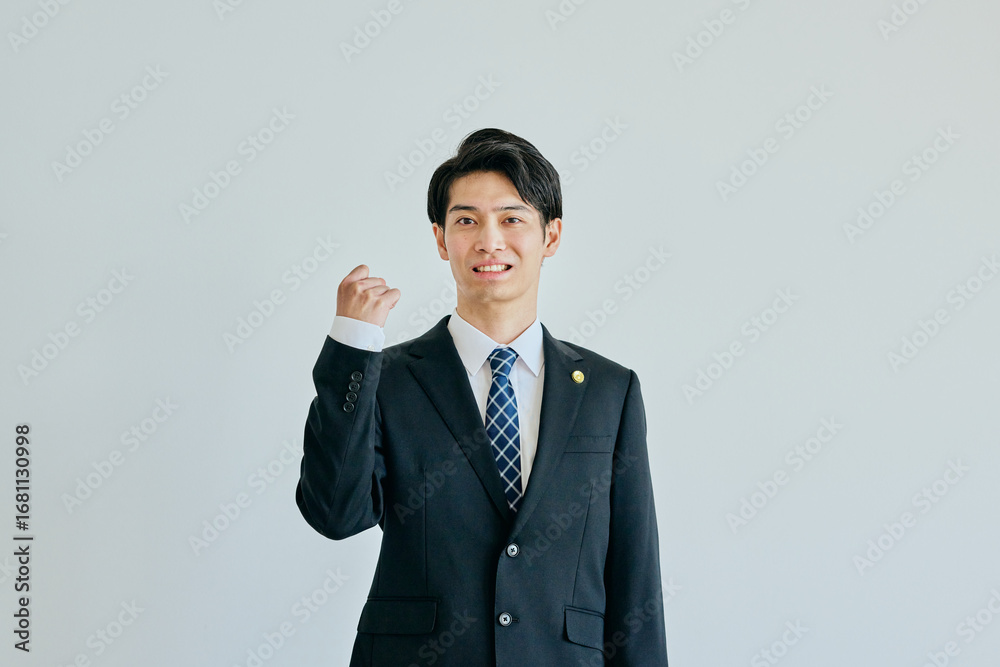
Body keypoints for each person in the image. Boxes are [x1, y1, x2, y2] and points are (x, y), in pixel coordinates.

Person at [295, 128, 668, 666]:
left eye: (512, 219)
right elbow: (334, 514)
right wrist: (353, 350)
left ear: (551, 236)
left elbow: (635, 575)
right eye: (467, 221)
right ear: (441, 239)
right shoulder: (389, 379)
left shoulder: (610, 391)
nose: (489, 241)